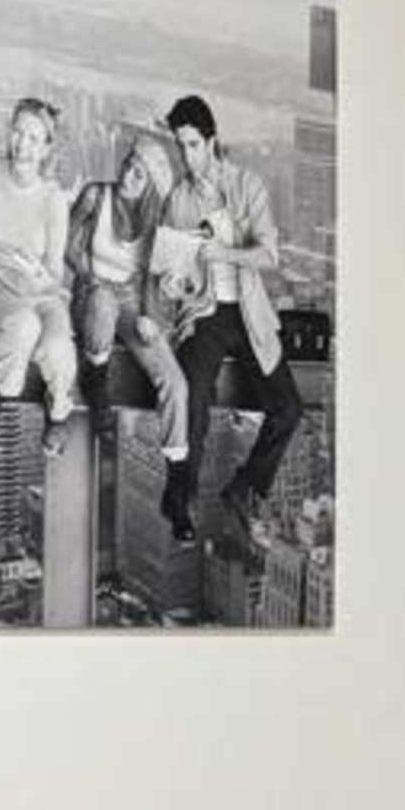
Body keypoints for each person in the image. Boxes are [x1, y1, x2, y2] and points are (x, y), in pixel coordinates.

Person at [155, 91, 308, 560]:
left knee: (288, 409)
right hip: (203, 314)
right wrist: (174, 281)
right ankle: (179, 501)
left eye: (194, 145)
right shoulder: (178, 198)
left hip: (247, 310)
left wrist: (223, 253)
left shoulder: (247, 186)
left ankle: (243, 489)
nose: (187, 155)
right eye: (180, 146)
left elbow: (269, 254)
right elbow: (165, 273)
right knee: (193, 402)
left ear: (212, 141)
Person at [70, 128, 192, 464]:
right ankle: (95, 379)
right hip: (92, 291)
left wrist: (150, 317)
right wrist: (89, 276)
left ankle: (176, 462)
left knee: (175, 383)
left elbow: (154, 280)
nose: (128, 175)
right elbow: (67, 250)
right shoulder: (96, 196)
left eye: (139, 173)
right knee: (102, 302)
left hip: (131, 302)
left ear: (151, 186)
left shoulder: (156, 225)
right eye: (127, 165)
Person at [0, 94, 80, 423]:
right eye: (17, 132)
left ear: (45, 150)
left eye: (33, 138)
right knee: (23, 327)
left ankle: (56, 413)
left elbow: (55, 271)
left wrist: (42, 276)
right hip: (4, 286)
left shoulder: (53, 198)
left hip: (42, 291)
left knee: (59, 351)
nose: (22, 145)